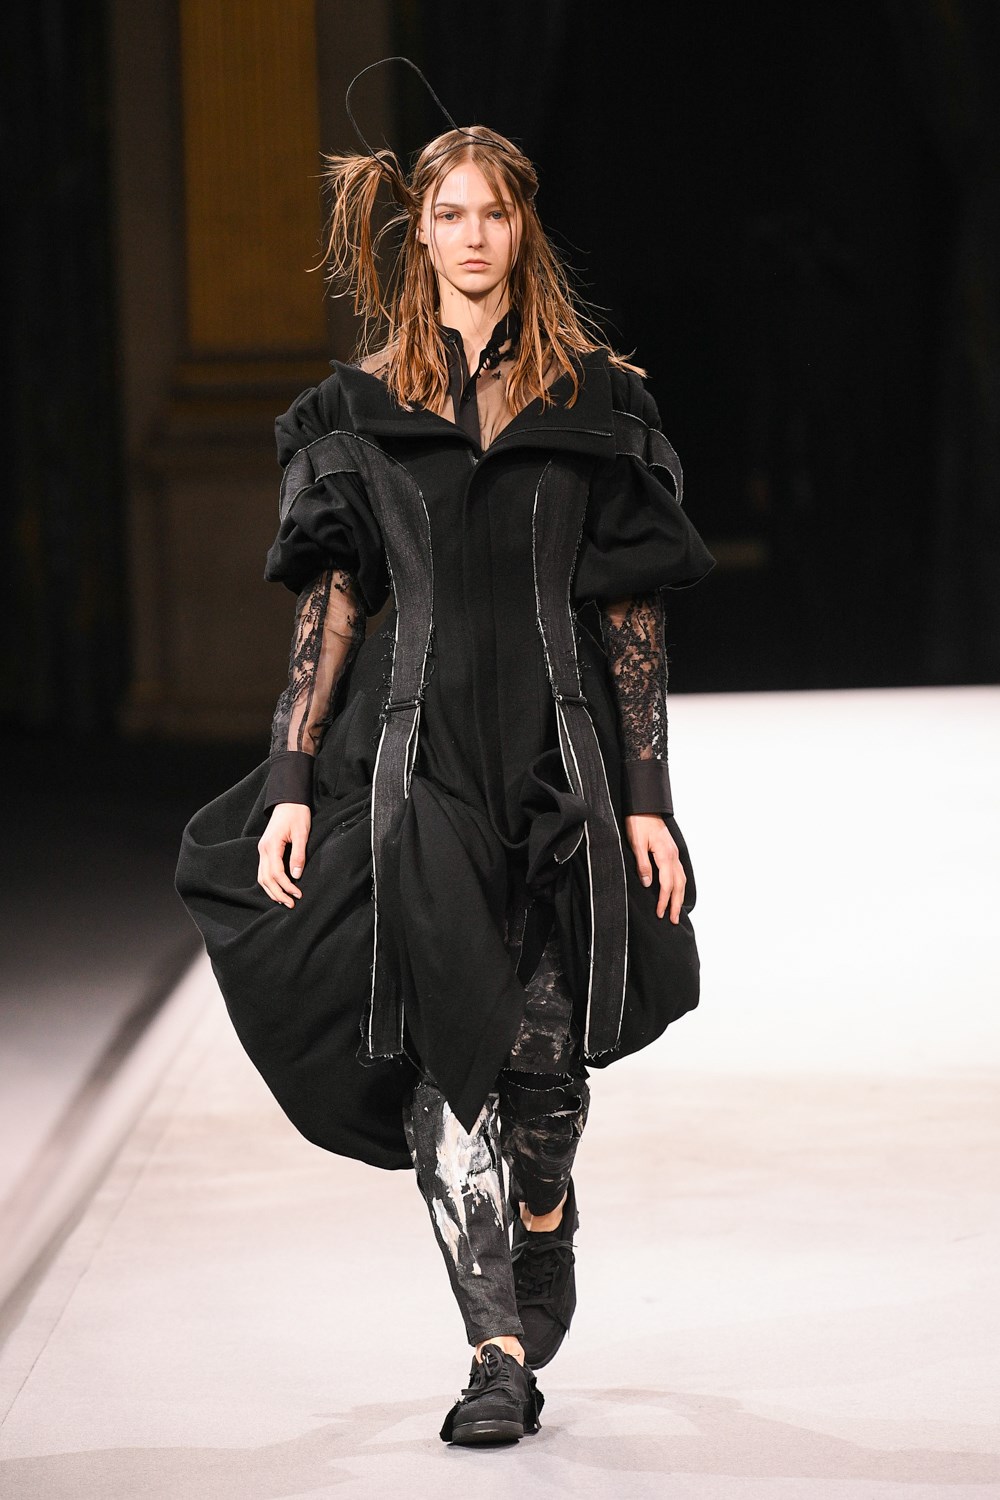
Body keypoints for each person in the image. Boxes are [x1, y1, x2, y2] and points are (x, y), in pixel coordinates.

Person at [175, 91, 714, 1448]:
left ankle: (546, 1205)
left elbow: (630, 617)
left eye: (494, 213)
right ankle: (494, 1354)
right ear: (418, 234)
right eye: (449, 214)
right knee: (446, 1055)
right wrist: (289, 779)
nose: (472, 235)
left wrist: (650, 803)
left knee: (544, 1070)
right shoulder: (357, 413)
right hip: (413, 765)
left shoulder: (598, 404)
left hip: (558, 760)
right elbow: (332, 606)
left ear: (523, 230)